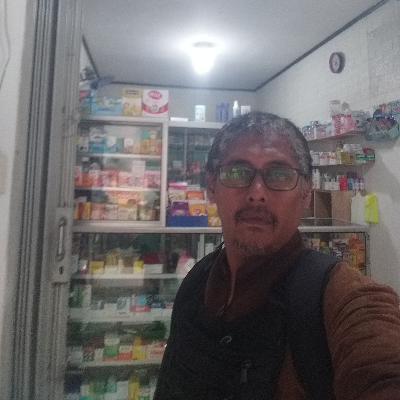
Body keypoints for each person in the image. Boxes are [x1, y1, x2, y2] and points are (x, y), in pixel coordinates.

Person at [154, 111, 400, 399]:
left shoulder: (342, 296)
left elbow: (380, 365)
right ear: (211, 187)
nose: (257, 193)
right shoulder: (197, 280)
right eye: (237, 172)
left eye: (279, 174)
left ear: (306, 193)